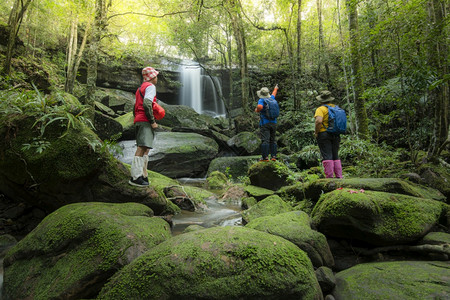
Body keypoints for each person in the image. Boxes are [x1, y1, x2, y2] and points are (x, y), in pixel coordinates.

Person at [129, 66, 159, 187]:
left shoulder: (140, 88)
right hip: (145, 120)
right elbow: (147, 104)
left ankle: (143, 175)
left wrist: (136, 118)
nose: (157, 78)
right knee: (142, 147)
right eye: (156, 76)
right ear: (152, 77)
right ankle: (135, 177)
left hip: (139, 119)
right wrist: (152, 121)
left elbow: (135, 106)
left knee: (146, 147)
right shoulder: (151, 87)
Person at [314, 90, 343, 178]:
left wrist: (316, 132)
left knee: (327, 155)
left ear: (321, 100)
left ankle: (329, 177)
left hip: (324, 134)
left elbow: (318, 121)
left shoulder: (320, 109)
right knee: (335, 155)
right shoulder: (336, 108)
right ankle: (339, 176)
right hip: (336, 134)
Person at [255, 84, 279, 161]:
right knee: (273, 139)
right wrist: (276, 88)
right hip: (274, 122)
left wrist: (257, 110)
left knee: (265, 140)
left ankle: (265, 157)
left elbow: (260, 107)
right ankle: (273, 156)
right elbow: (274, 94)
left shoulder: (262, 100)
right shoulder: (271, 99)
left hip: (265, 123)